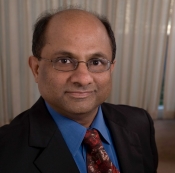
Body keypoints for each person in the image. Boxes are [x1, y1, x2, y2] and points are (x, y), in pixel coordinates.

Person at [0, 8, 158, 173]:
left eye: (96, 62)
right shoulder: (5, 153)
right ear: (37, 69)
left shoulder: (140, 123)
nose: (83, 79)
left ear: (111, 69)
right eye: (64, 61)